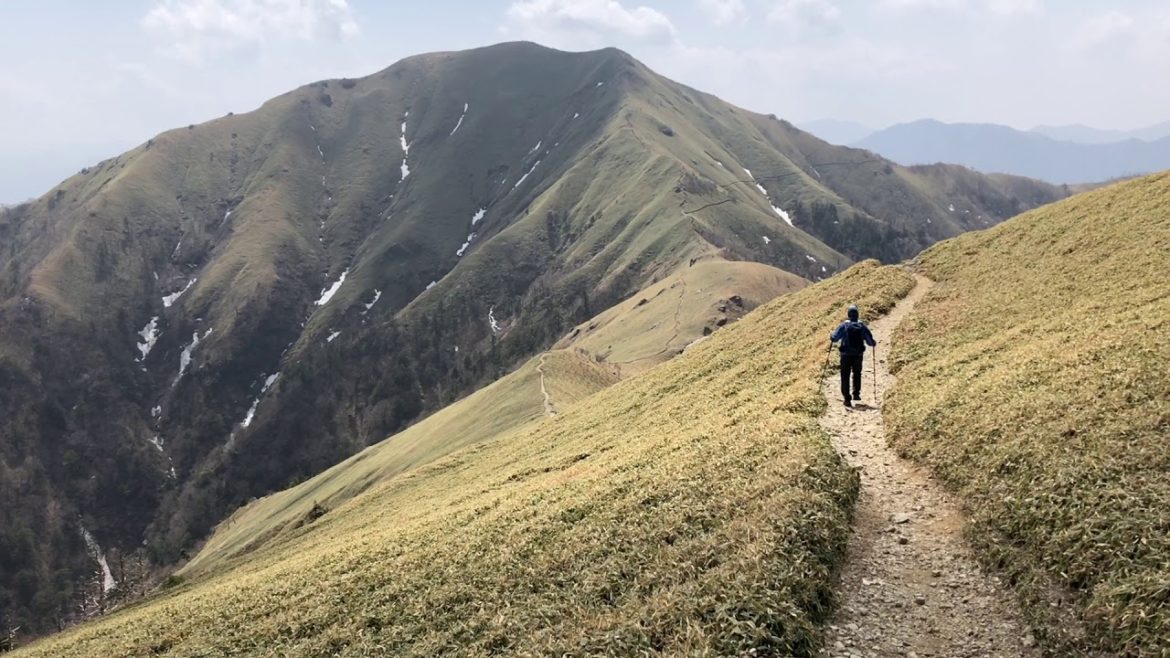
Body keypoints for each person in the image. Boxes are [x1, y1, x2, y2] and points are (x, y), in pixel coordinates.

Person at [830, 304, 876, 408]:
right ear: (857, 314)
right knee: (857, 373)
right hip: (858, 355)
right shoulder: (862, 326)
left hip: (845, 355)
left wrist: (831, 336)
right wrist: (873, 343)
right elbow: (870, 342)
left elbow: (835, 338)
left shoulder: (843, 325)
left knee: (845, 376)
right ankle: (856, 393)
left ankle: (847, 399)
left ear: (848, 314)